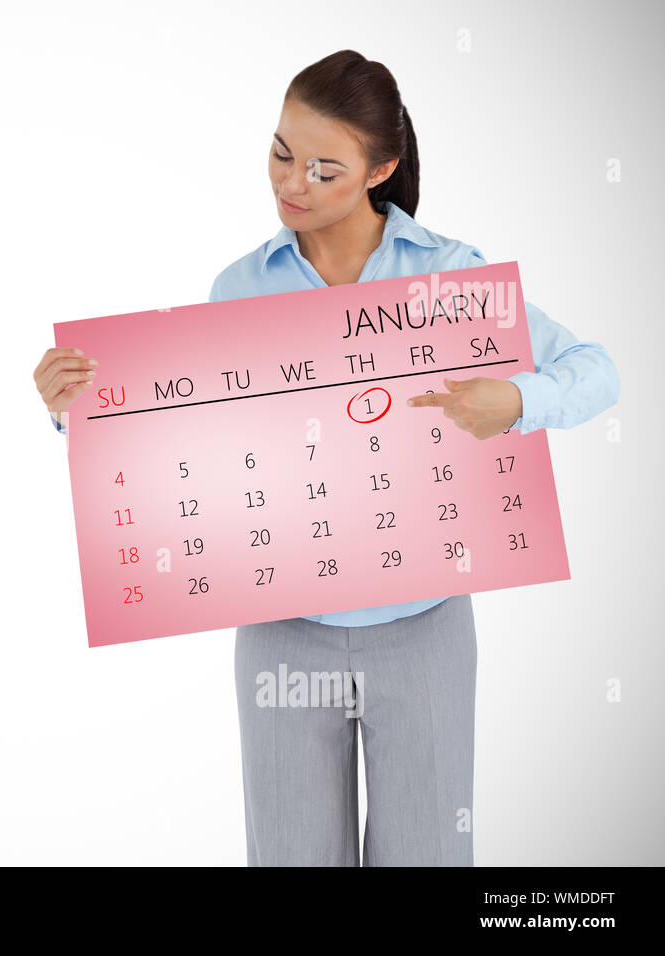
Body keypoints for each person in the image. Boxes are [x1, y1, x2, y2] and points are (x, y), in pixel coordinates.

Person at [32, 50, 620, 866]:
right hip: (281, 633)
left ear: (381, 169)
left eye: (323, 167)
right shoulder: (239, 288)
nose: (292, 183)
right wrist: (78, 415)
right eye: (280, 151)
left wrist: (519, 400)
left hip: (424, 635)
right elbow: (192, 453)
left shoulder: (452, 276)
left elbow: (597, 370)